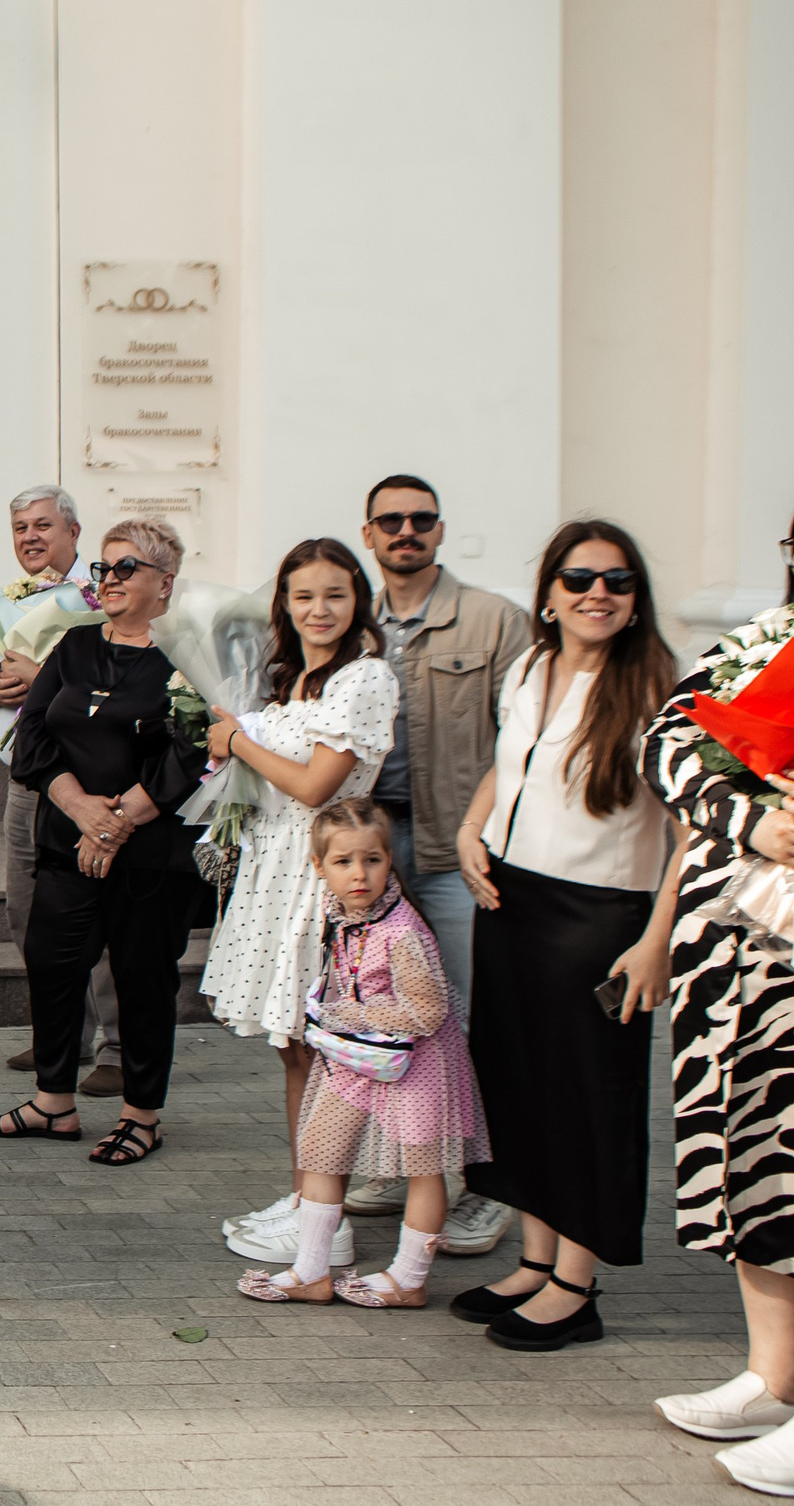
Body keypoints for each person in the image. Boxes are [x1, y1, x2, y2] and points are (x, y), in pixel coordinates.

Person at [445, 520, 677, 1351]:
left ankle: (577, 1285)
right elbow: (508, 770)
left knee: (587, 1097)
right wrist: (474, 833)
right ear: (549, 593)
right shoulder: (533, 667)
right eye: (579, 579)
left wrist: (657, 938)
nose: (597, 594)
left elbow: (691, 830)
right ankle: (537, 1259)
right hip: (513, 901)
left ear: (635, 597)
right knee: (518, 1083)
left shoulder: (657, 688)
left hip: (601, 916)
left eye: (617, 581)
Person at [0, 519, 208, 1166]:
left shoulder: (187, 657)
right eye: (104, 568)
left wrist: (121, 819)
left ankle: (141, 1114)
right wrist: (80, 808)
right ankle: (54, 1102)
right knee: (51, 961)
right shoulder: (73, 648)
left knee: (142, 981)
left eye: (126, 568)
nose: (108, 579)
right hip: (67, 842)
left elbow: (192, 751)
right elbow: (35, 734)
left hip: (150, 856)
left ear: (165, 582)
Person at [202, 539, 399, 1267]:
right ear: (284, 601)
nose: (319, 610)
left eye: (335, 595)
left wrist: (237, 741)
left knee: (326, 1052)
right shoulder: (294, 678)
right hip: (278, 868)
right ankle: (308, 1196)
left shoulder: (364, 677)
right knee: (294, 1051)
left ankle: (328, 1218)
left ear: (358, 602)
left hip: (326, 876)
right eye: (304, 595)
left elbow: (318, 785)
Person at [648, 513, 794, 1491]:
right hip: (727, 957)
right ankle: (769, 1378)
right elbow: (666, 741)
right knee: (748, 1165)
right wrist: (749, 816)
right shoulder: (759, 641)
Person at [353, 473, 530, 1250]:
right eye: (390, 520)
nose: (406, 530)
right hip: (370, 851)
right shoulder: (351, 621)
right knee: (381, 1011)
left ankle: (489, 1187)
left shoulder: (495, 622)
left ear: (440, 529)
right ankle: (398, 1163)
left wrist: (491, 833)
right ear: (368, 533)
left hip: (460, 848)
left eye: (420, 519)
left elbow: (524, 743)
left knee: (475, 1014)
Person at [236, 799, 488, 1309]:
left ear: (389, 860)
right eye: (344, 862)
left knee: (423, 1167)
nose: (359, 874)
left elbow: (427, 1011)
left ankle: (409, 1279)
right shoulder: (343, 915)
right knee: (322, 1152)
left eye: (372, 860)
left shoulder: (402, 932)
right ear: (319, 867)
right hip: (356, 1059)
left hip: (416, 1065)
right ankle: (311, 1270)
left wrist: (345, 1015)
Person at [0, 484, 121, 1092]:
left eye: (42, 525)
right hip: (29, 781)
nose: (30, 537)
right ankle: (61, 1037)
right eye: (21, 527)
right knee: (26, 909)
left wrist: (46, 677)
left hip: (96, 784)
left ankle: (118, 1050)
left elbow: (120, 675)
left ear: (73, 533)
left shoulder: (104, 594)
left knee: (99, 912)